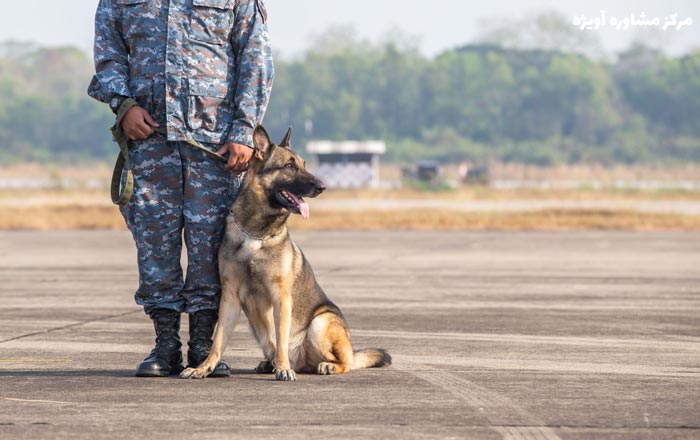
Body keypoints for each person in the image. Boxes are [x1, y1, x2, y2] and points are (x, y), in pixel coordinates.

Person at [87, 0, 274, 377]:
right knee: (155, 241)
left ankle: (206, 345)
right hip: (150, 140)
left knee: (212, 245)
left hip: (217, 146)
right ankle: (166, 344)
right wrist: (123, 106)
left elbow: (255, 57)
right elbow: (108, 51)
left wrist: (243, 130)